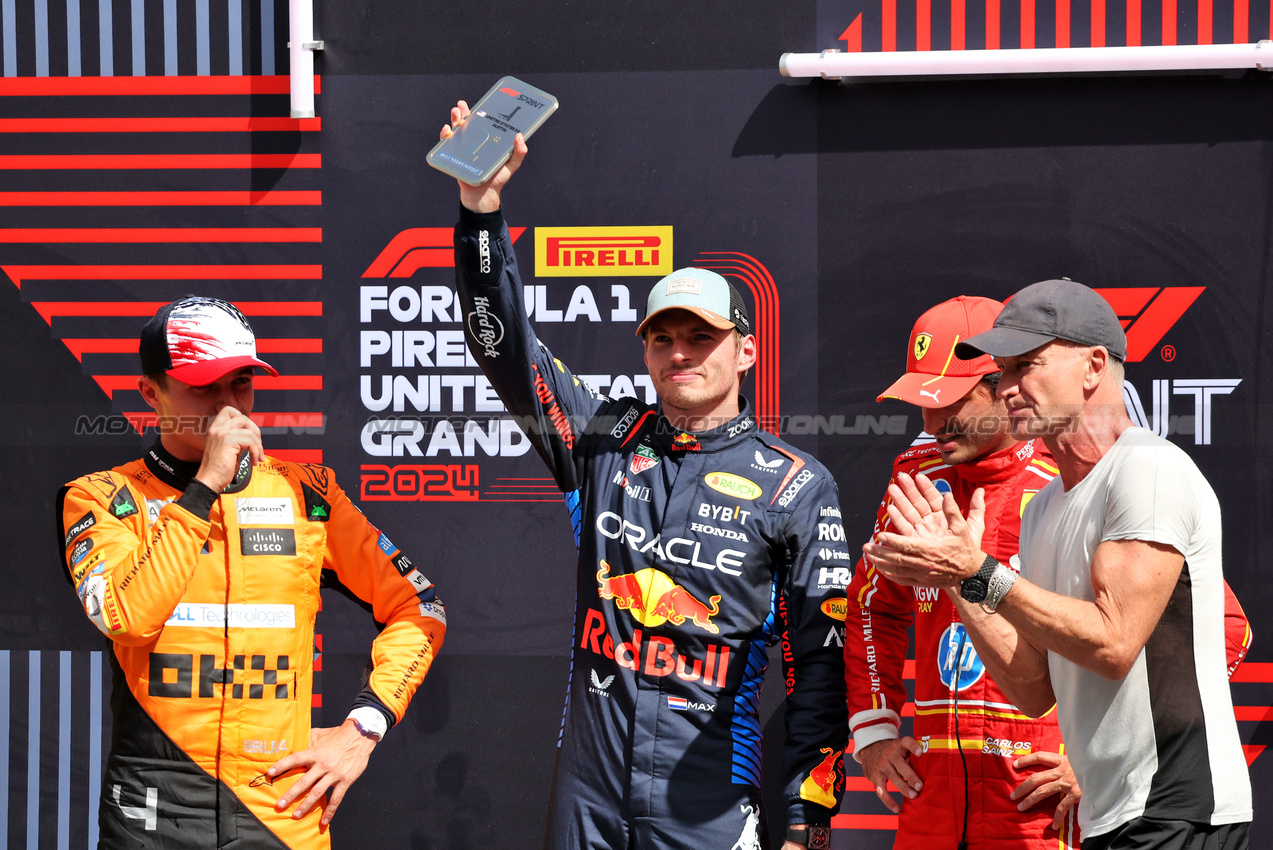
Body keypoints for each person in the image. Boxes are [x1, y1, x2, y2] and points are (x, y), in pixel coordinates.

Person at [444, 104, 848, 850]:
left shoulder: (796, 485)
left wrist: (806, 819)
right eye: (663, 339)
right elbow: (501, 345)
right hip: (587, 795)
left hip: (706, 802)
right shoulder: (602, 438)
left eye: (701, 337)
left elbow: (819, 669)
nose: (680, 353)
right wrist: (480, 213)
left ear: (746, 353)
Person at [847, 295, 1252, 850]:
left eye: (951, 402)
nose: (933, 423)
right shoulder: (921, 480)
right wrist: (874, 727)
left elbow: (1222, 629)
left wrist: (1088, 759)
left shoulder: (1086, 477)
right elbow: (875, 605)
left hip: (1044, 801)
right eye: (922, 402)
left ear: (998, 384)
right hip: (936, 794)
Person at [57, 296, 447, 849]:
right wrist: (203, 489)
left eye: (240, 384)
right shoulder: (101, 498)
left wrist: (363, 728)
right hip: (152, 814)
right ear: (151, 394)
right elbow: (128, 620)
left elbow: (420, 606)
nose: (227, 408)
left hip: (282, 813)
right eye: (203, 388)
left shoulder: (308, 493)